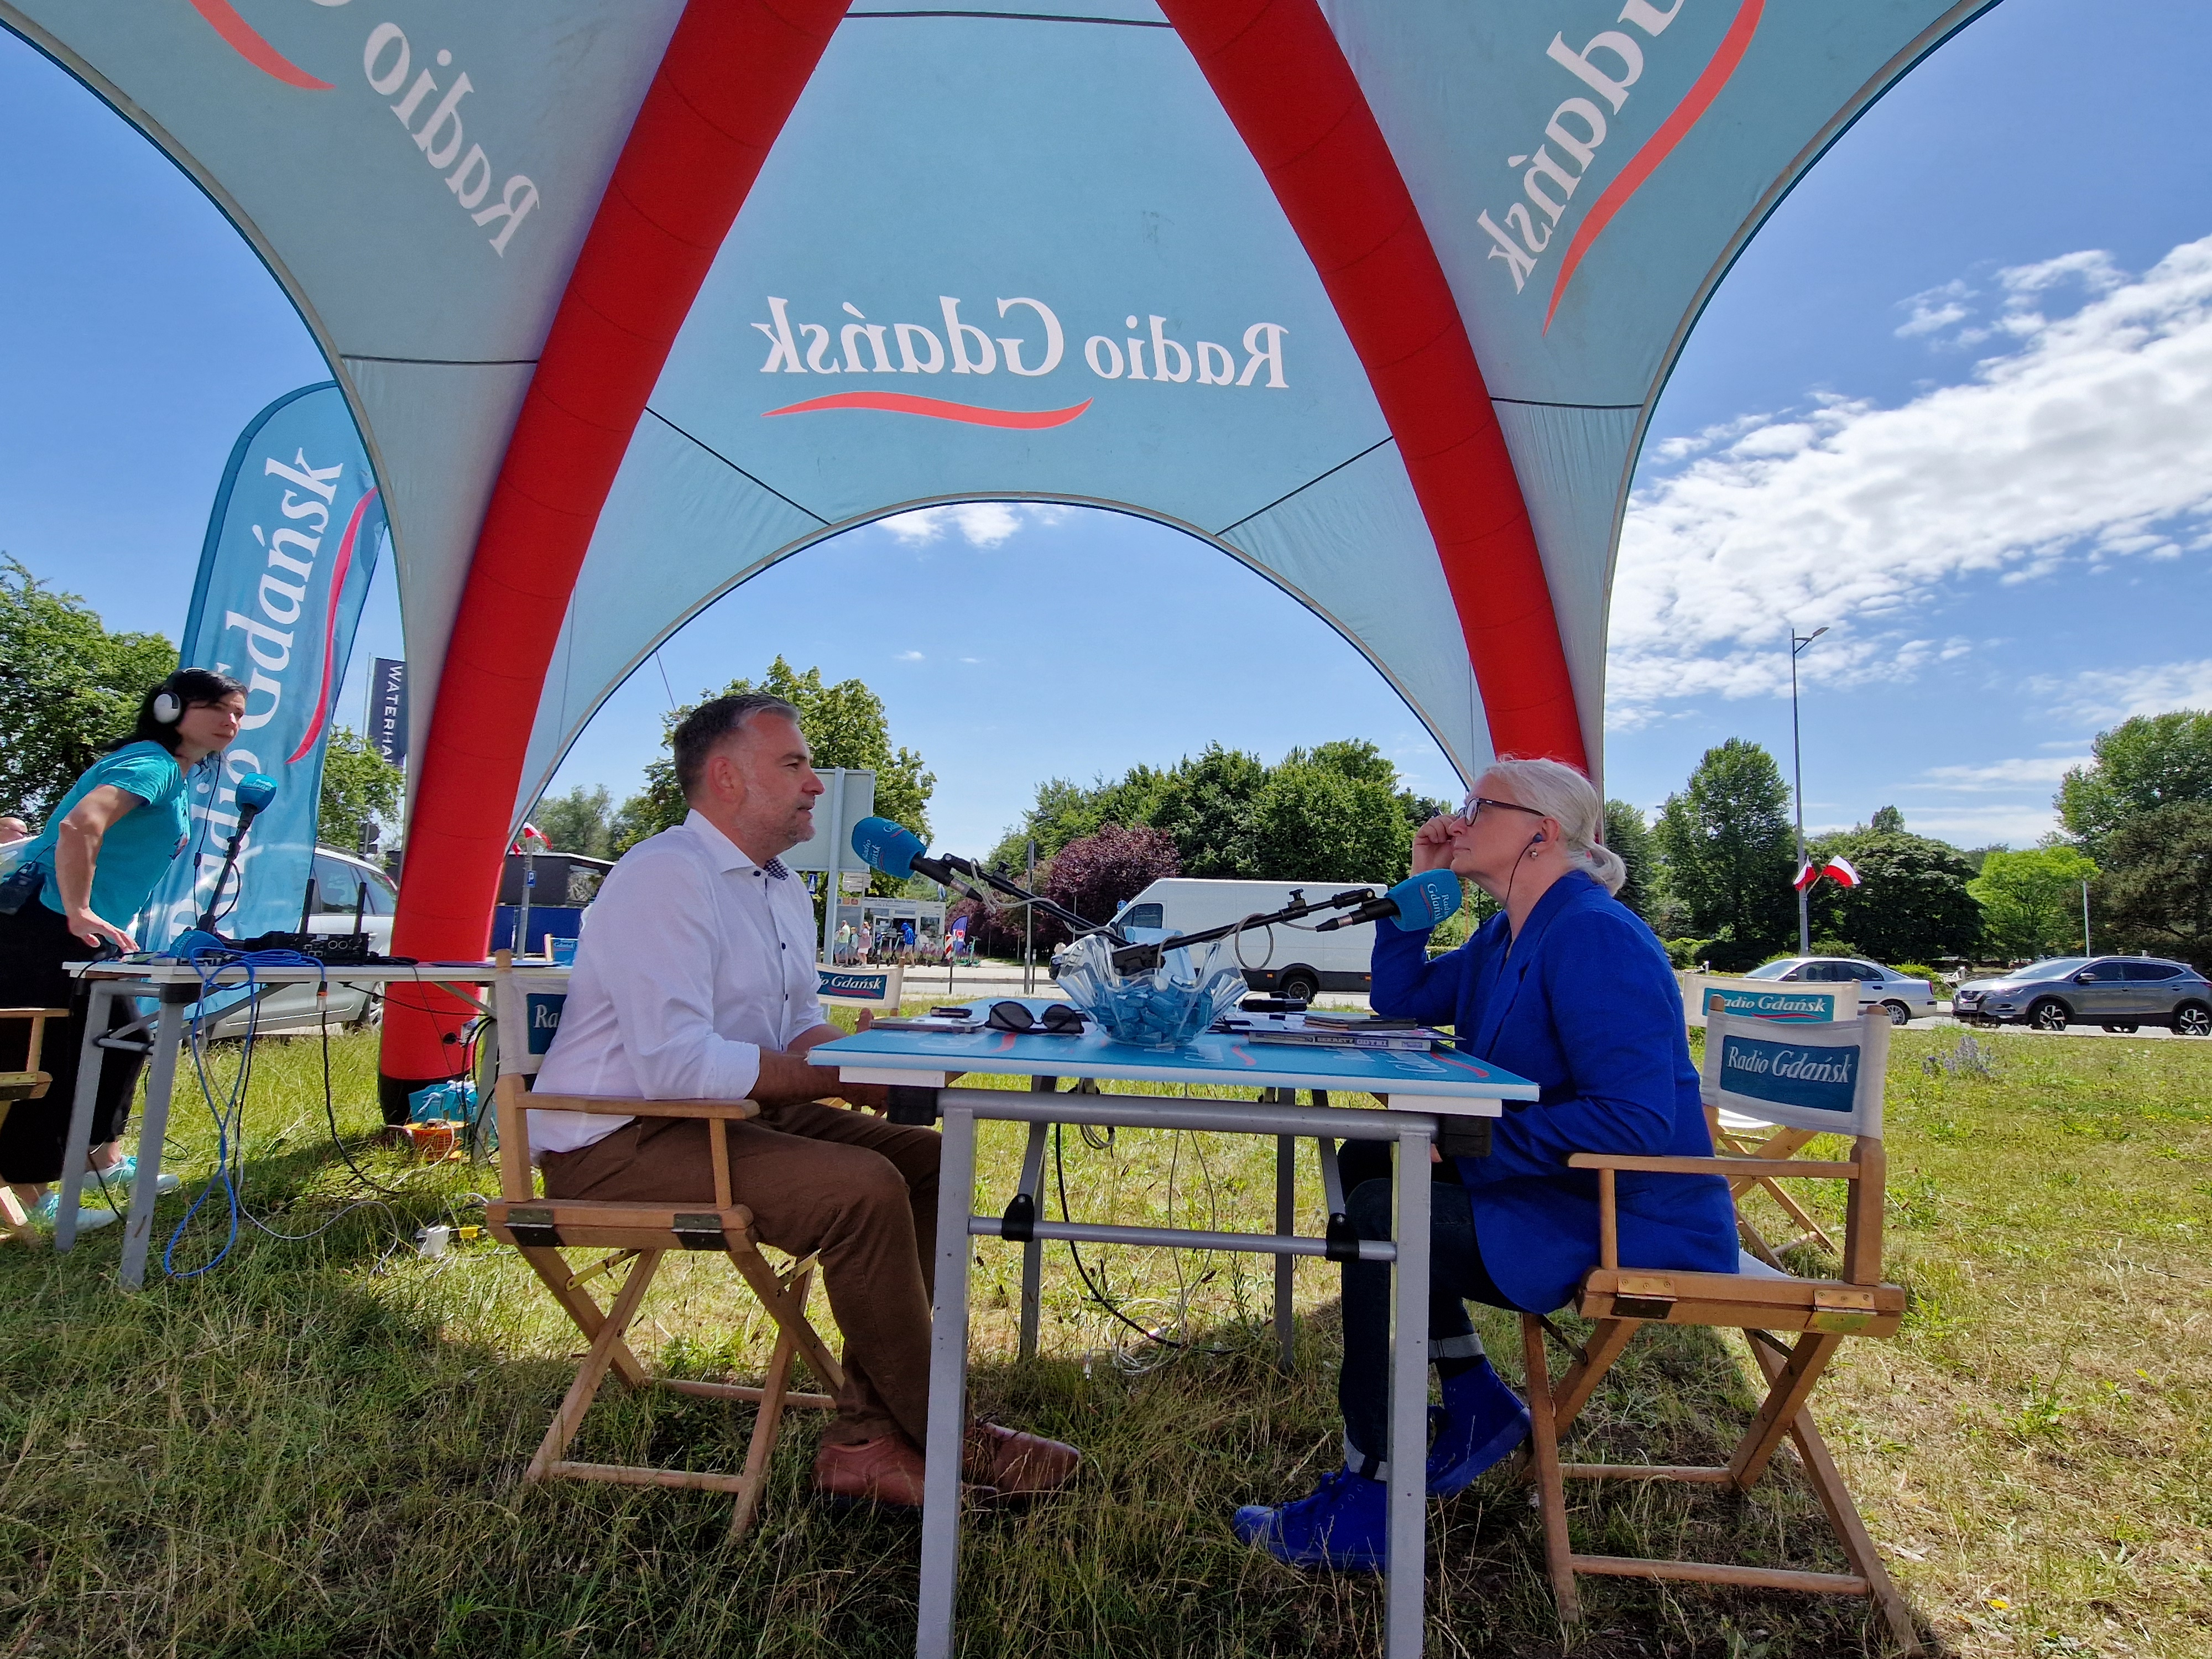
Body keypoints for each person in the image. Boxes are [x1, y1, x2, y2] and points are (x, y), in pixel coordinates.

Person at [531, 692, 1079, 1507]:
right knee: (862, 1190)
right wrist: (846, 1077)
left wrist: (891, 1051)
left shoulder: (780, 887)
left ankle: (866, 1439)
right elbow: (676, 1068)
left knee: (932, 1158)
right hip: (615, 1144)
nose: (816, 785)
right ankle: (941, 1433)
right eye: (793, 764)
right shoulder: (665, 877)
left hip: (722, 1121)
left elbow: (795, 1034)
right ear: (724, 776)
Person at [1232, 756, 1738, 1569]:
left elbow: (1637, 1121)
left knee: (1382, 1214)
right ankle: (1474, 1398)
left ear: (1542, 833)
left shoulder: (1595, 936)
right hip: (1568, 1191)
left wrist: (1474, 1141)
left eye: (1478, 806)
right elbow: (1402, 1001)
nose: (1457, 821)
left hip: (1630, 1217)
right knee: (1368, 1156)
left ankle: (1373, 1492)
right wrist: (1417, 892)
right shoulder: (1509, 931)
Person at [0, 669, 248, 1229]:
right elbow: (78, 827)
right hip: (43, 923)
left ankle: (99, 1161)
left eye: (237, 714)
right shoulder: (151, 764)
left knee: (126, 1043)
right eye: (216, 708)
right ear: (169, 708)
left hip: (71, 927)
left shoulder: (171, 775)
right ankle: (32, 1200)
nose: (230, 723)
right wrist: (79, 906)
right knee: (42, 1059)